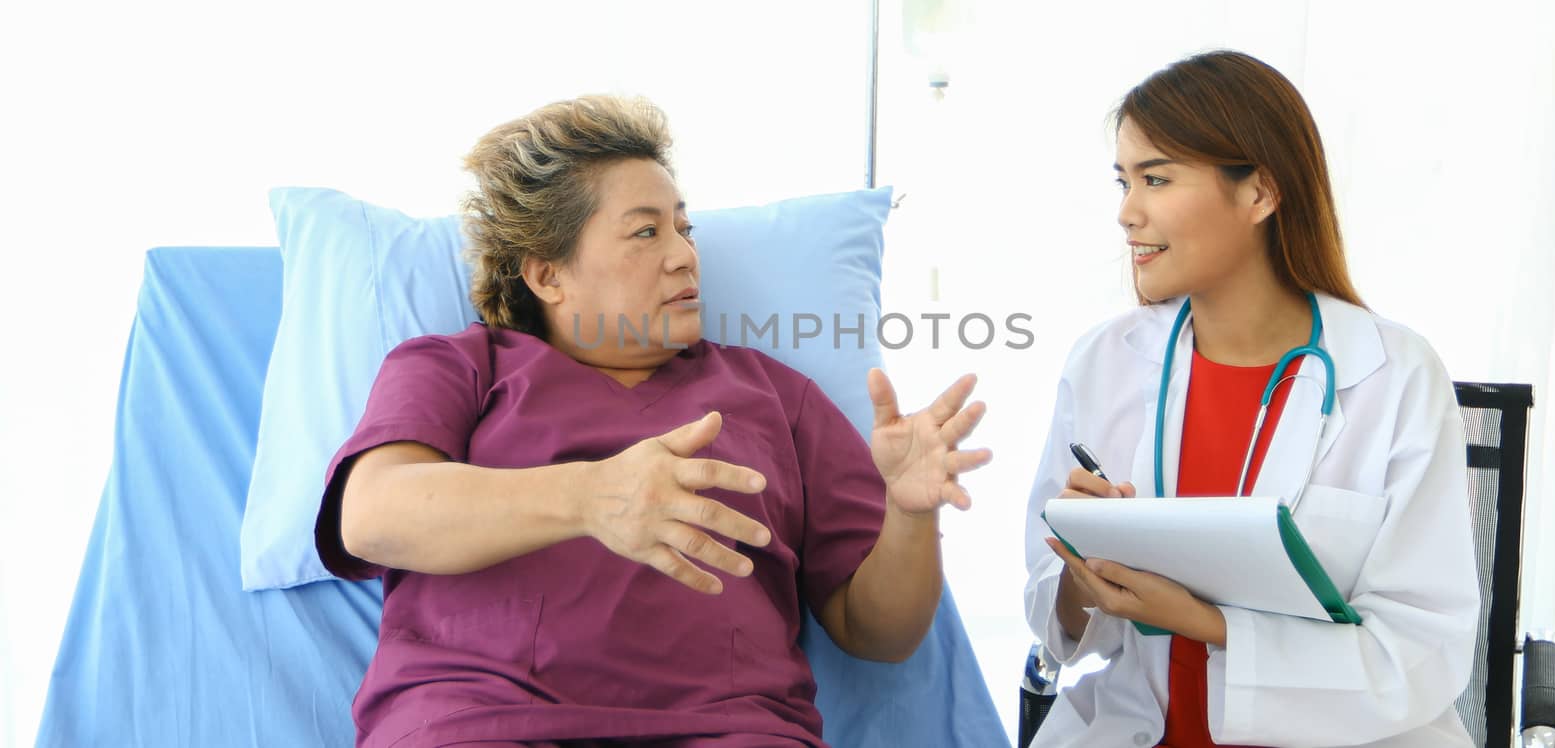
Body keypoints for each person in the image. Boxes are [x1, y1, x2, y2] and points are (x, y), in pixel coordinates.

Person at [314, 95, 992, 748]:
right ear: (548, 275)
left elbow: (880, 634)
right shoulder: (458, 366)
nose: (684, 254)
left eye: (683, 228)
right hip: (477, 719)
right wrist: (591, 498)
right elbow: (371, 516)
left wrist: (908, 516)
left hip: (733, 730)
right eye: (646, 231)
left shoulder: (775, 397)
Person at [1022, 51, 1479, 747]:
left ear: (1260, 193)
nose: (1126, 212)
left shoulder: (1396, 377)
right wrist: (1085, 578)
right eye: (1124, 181)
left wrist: (1211, 625)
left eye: (1156, 179)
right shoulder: (1105, 362)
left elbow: (1422, 653)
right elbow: (1053, 615)